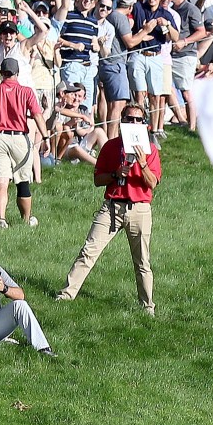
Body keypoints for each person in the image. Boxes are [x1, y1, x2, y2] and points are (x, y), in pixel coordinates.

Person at [56, 105, 160, 316]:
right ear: (122, 122)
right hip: (112, 207)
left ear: (144, 124)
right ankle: (66, 294)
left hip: (139, 209)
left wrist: (143, 164)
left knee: (142, 261)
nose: (133, 123)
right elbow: (97, 180)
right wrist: (115, 173)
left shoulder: (150, 150)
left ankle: (147, 306)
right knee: (88, 251)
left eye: (138, 120)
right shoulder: (111, 147)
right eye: (129, 119)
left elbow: (152, 183)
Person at [0, 57, 50, 229]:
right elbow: (38, 116)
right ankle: (26, 219)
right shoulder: (27, 92)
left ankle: (2, 220)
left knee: (2, 180)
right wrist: (45, 138)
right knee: (23, 182)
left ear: (1, 73)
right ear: (17, 73)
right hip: (19, 139)